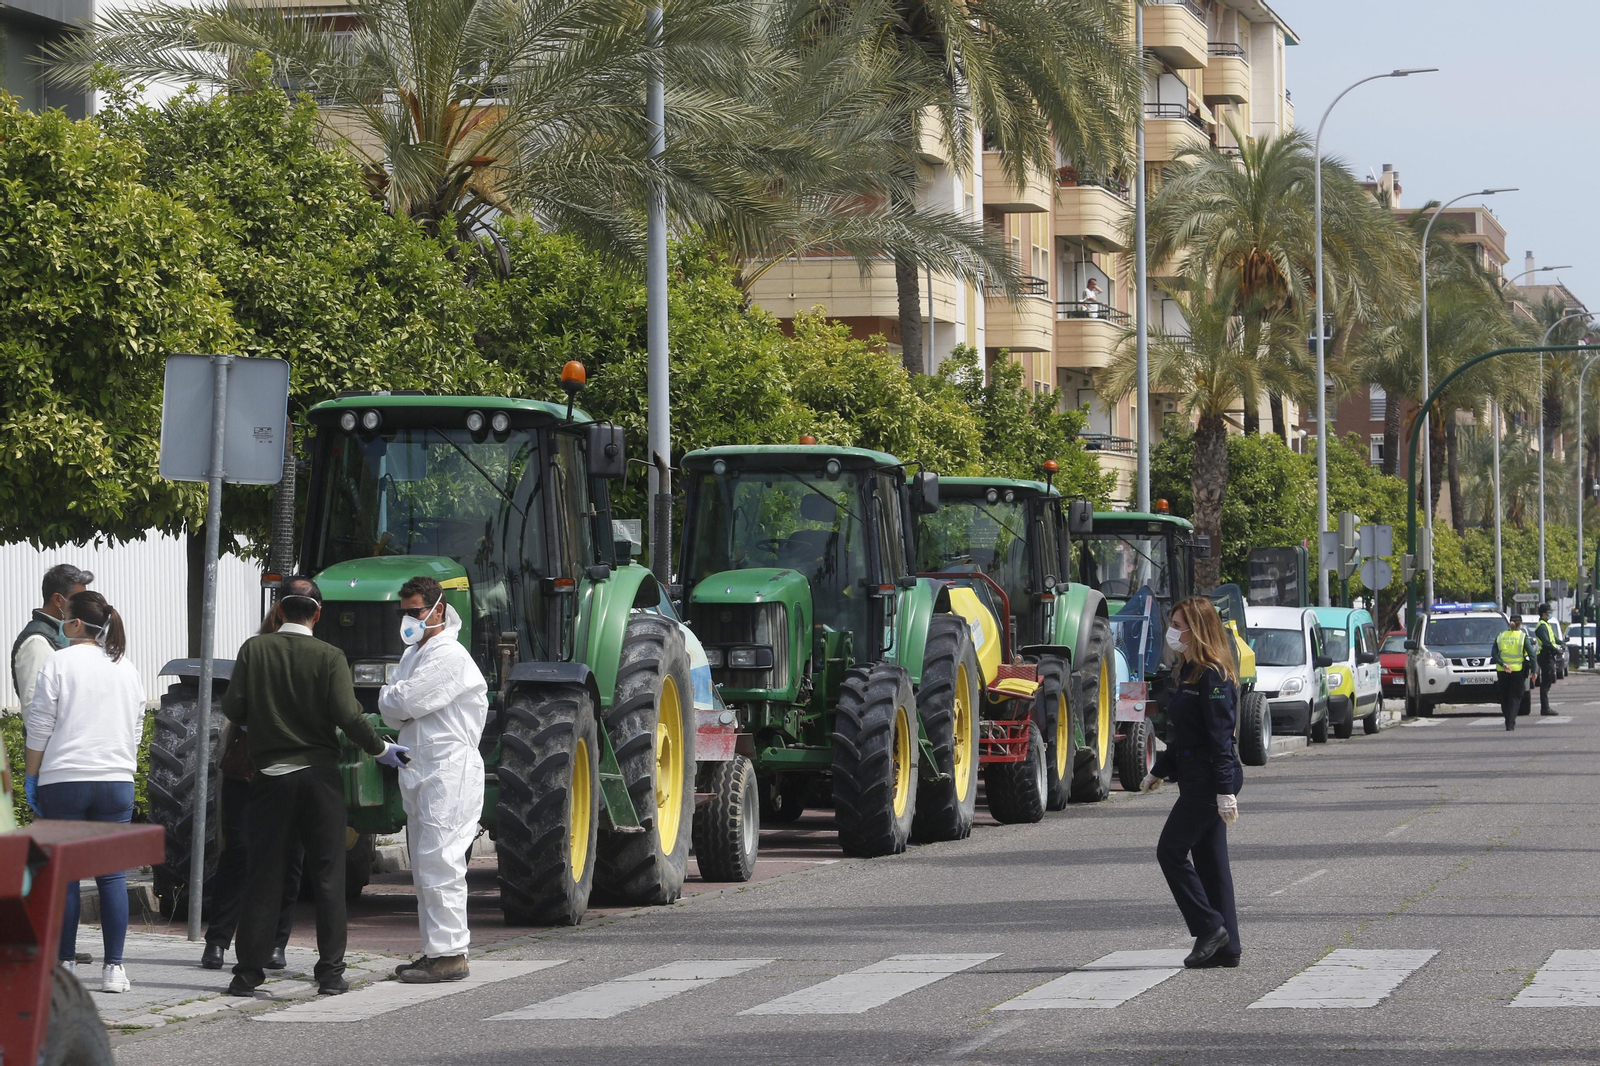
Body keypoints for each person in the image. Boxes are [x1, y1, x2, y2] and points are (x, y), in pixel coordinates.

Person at [221, 576, 407, 997]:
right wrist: (381, 750)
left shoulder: (255, 650)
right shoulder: (330, 655)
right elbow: (348, 714)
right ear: (318, 614)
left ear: (280, 611)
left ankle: (247, 973)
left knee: (264, 875)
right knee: (327, 875)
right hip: (320, 780)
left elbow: (234, 707)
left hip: (270, 779)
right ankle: (330, 974)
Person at [23, 591, 144, 994]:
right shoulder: (126, 667)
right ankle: (114, 970)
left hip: (65, 780)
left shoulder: (58, 662)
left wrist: (32, 776)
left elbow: (40, 725)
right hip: (116, 779)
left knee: (66, 878)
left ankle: (67, 965)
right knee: (113, 877)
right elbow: (138, 726)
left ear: (74, 625)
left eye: (65, 617)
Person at [379, 576, 488, 984]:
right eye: (404, 612)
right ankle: (434, 950)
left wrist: (395, 698)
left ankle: (450, 954)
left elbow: (401, 701)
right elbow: (395, 709)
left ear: (438, 610)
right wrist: (396, 700)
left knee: (442, 862)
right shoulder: (415, 655)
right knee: (426, 867)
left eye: (415, 612)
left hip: (448, 769)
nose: (408, 619)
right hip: (422, 768)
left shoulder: (449, 656)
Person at [1140, 595, 1244, 969]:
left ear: (1198, 630)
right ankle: (1226, 946)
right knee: (1211, 860)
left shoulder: (1213, 674)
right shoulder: (1188, 672)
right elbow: (1183, 735)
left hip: (1210, 779)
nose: (1173, 632)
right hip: (1194, 774)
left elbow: (1219, 738)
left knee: (1170, 850)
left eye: (1180, 625)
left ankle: (1209, 927)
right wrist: (1158, 770)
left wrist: (1225, 790)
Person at [200, 609, 302, 972]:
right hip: (248, 768)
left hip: (291, 770)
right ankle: (217, 941)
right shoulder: (254, 651)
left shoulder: (315, 654)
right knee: (239, 852)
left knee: (289, 856)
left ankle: (276, 943)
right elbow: (234, 705)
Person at [11, 563, 93, 715]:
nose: (83, 607)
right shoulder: (36, 643)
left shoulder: (62, 634)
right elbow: (35, 711)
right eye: (79, 600)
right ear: (58, 600)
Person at [1492, 615, 1537, 731]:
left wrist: (1502, 664)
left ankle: (1508, 720)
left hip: (1502, 672)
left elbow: (1494, 653)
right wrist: (1534, 671)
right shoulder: (1522, 636)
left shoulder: (1501, 636)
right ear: (1520, 624)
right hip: (1517, 671)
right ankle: (1510, 723)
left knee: (1505, 697)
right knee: (1515, 698)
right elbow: (1532, 654)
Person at [1534, 603, 1561, 716]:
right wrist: (1556, 650)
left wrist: (1561, 643)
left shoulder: (1547, 625)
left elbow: (1553, 639)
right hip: (1545, 656)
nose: (1549, 614)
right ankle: (1545, 708)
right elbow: (1546, 642)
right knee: (1545, 683)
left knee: (1548, 681)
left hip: (1549, 655)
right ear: (1543, 613)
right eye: (1548, 612)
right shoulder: (1541, 626)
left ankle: (1545, 707)